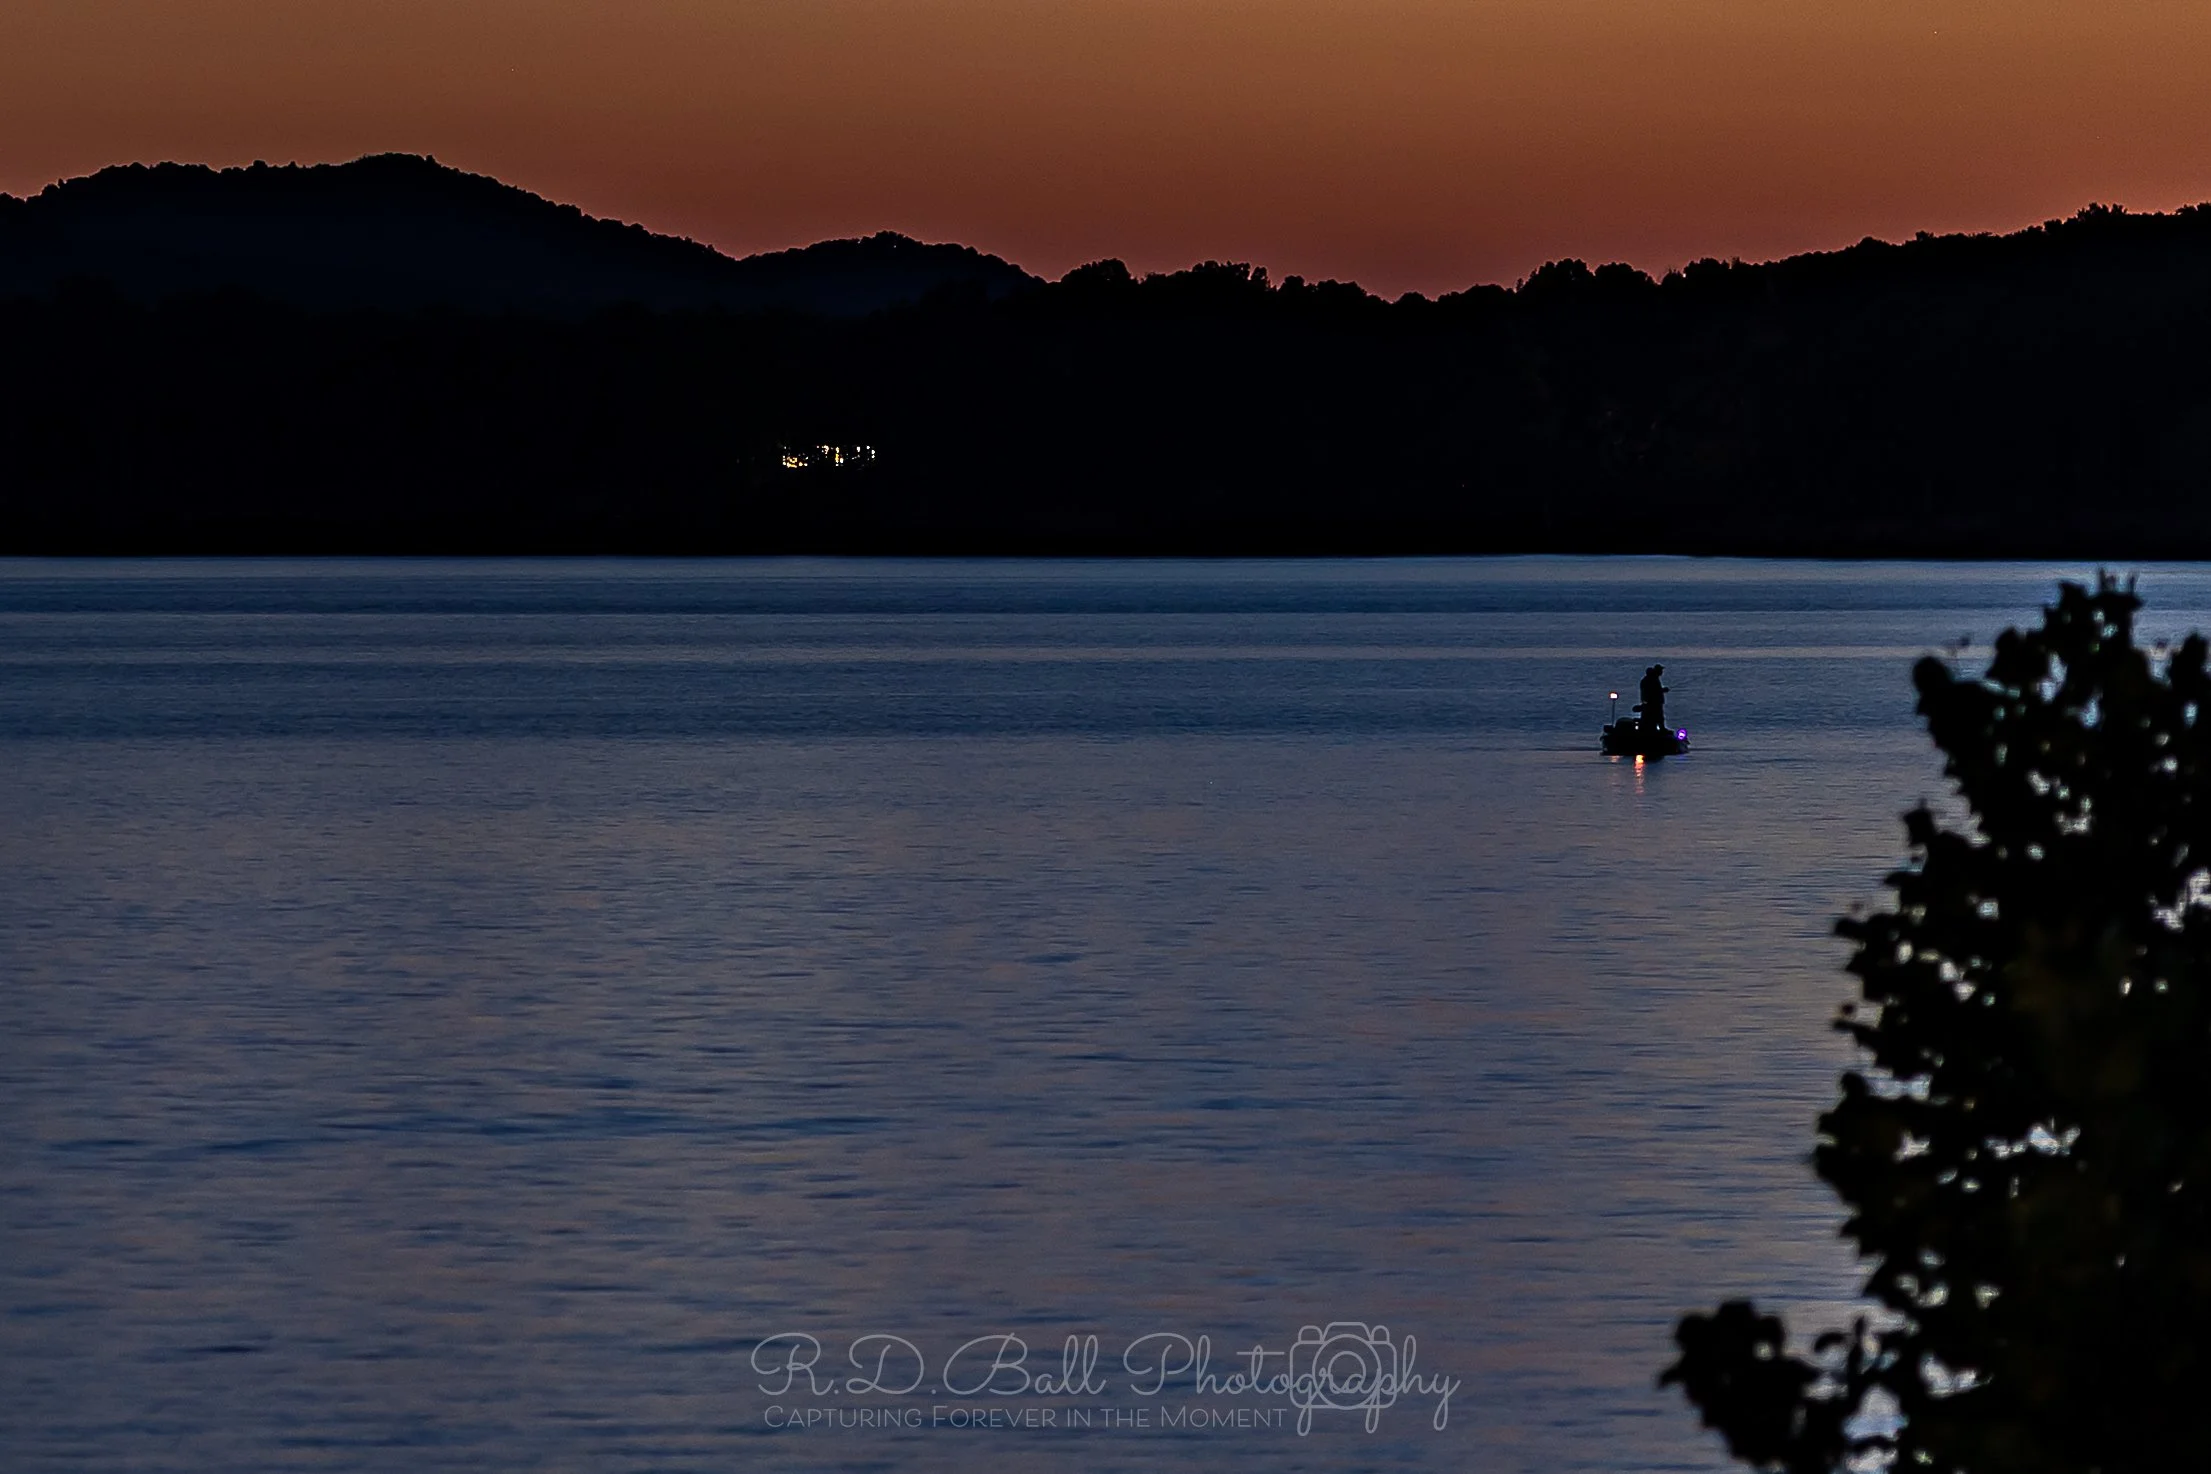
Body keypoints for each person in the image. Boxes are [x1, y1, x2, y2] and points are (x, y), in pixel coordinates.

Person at [1637, 664, 1668, 731]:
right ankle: (1660, 729)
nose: (1662, 672)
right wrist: (1663, 690)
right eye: (1660, 670)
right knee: (1658, 716)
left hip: (1650, 702)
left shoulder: (1649, 679)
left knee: (1652, 716)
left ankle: (1656, 728)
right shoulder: (1652, 680)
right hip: (1653, 703)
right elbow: (1654, 691)